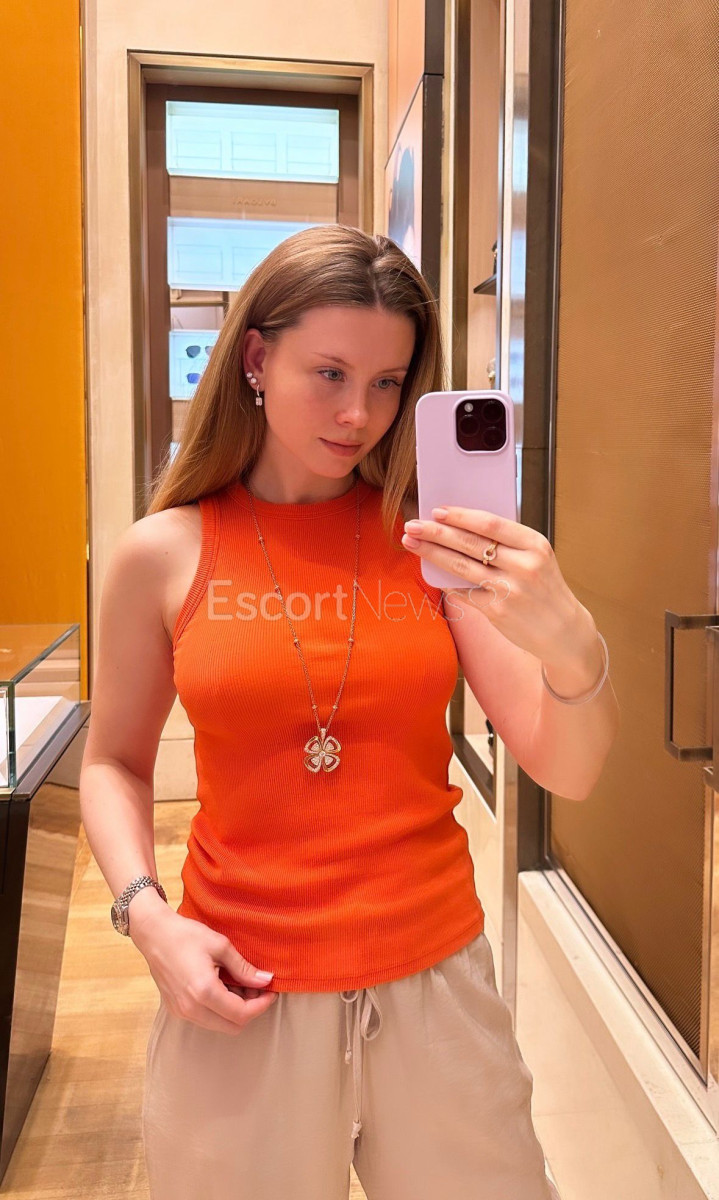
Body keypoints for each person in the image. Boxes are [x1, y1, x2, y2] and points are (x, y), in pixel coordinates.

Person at [80, 224, 618, 1200]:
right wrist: (146, 918)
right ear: (255, 358)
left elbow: (567, 767)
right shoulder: (163, 553)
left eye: (386, 383)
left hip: (435, 984)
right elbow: (113, 760)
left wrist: (574, 650)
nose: (358, 414)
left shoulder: (433, 546)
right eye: (328, 373)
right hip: (239, 986)